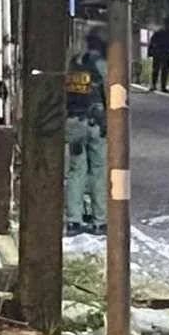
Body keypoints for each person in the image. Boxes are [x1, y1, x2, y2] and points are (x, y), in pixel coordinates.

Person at [64, 27, 107, 236]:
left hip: (73, 122)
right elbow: (111, 92)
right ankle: (100, 220)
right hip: (95, 123)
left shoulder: (73, 63)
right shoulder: (101, 64)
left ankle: (74, 220)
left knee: (76, 170)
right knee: (98, 169)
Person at [148, 17, 169, 92]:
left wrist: (150, 52)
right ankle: (159, 86)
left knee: (159, 70)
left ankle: (157, 86)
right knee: (161, 70)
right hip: (163, 52)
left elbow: (151, 42)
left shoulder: (161, 32)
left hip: (161, 52)